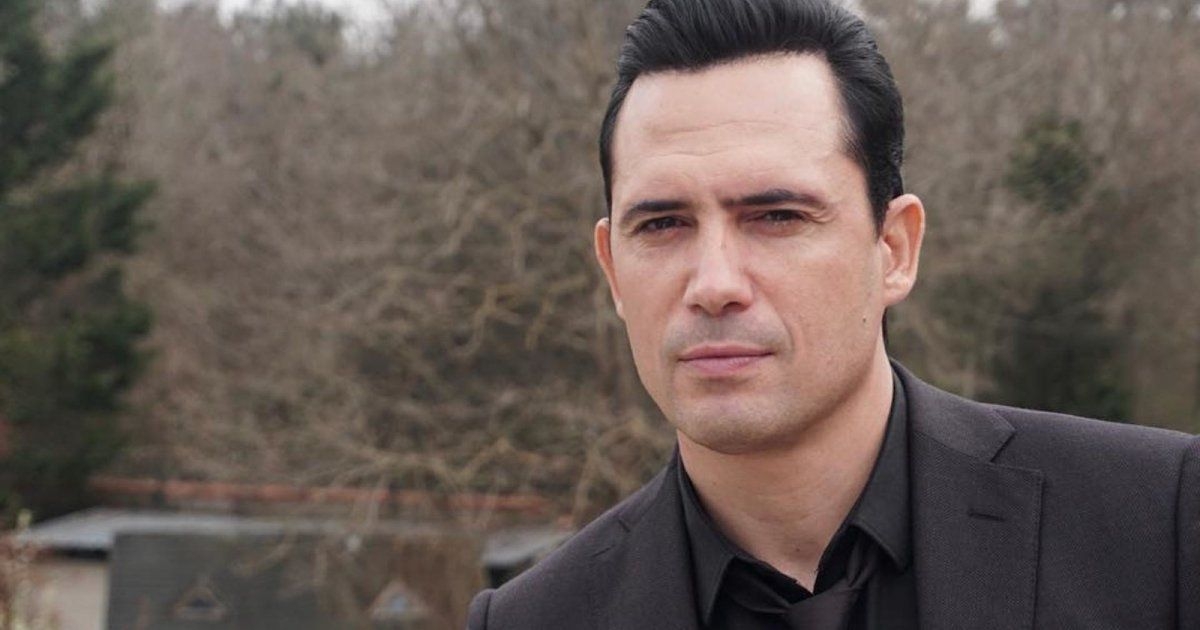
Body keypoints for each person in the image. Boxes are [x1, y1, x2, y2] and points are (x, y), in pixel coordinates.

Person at [467, 0, 1200, 627]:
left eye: (777, 216)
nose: (714, 284)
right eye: (662, 225)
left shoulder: (1159, 524)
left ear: (894, 249)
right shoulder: (533, 619)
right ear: (612, 271)